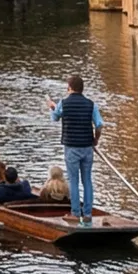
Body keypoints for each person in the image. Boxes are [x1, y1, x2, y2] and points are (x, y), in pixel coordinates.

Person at [49, 73, 104, 225]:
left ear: (70, 88)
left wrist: (52, 108)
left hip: (71, 147)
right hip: (87, 147)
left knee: (74, 181)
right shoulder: (91, 104)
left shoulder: (63, 103)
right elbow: (99, 125)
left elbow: (55, 117)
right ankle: (87, 214)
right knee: (87, 180)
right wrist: (96, 139)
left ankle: (74, 213)